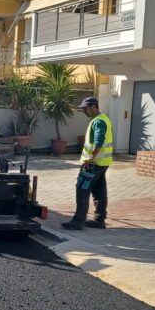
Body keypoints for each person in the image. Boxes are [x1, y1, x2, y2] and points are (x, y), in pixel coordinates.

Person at [62, 97, 114, 230]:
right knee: (99, 191)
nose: (84, 111)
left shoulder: (98, 122)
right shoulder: (104, 119)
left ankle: (78, 221)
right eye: (83, 108)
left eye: (86, 108)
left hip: (93, 163)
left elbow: (99, 141)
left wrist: (91, 158)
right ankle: (99, 220)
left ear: (94, 107)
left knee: (82, 189)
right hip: (103, 163)